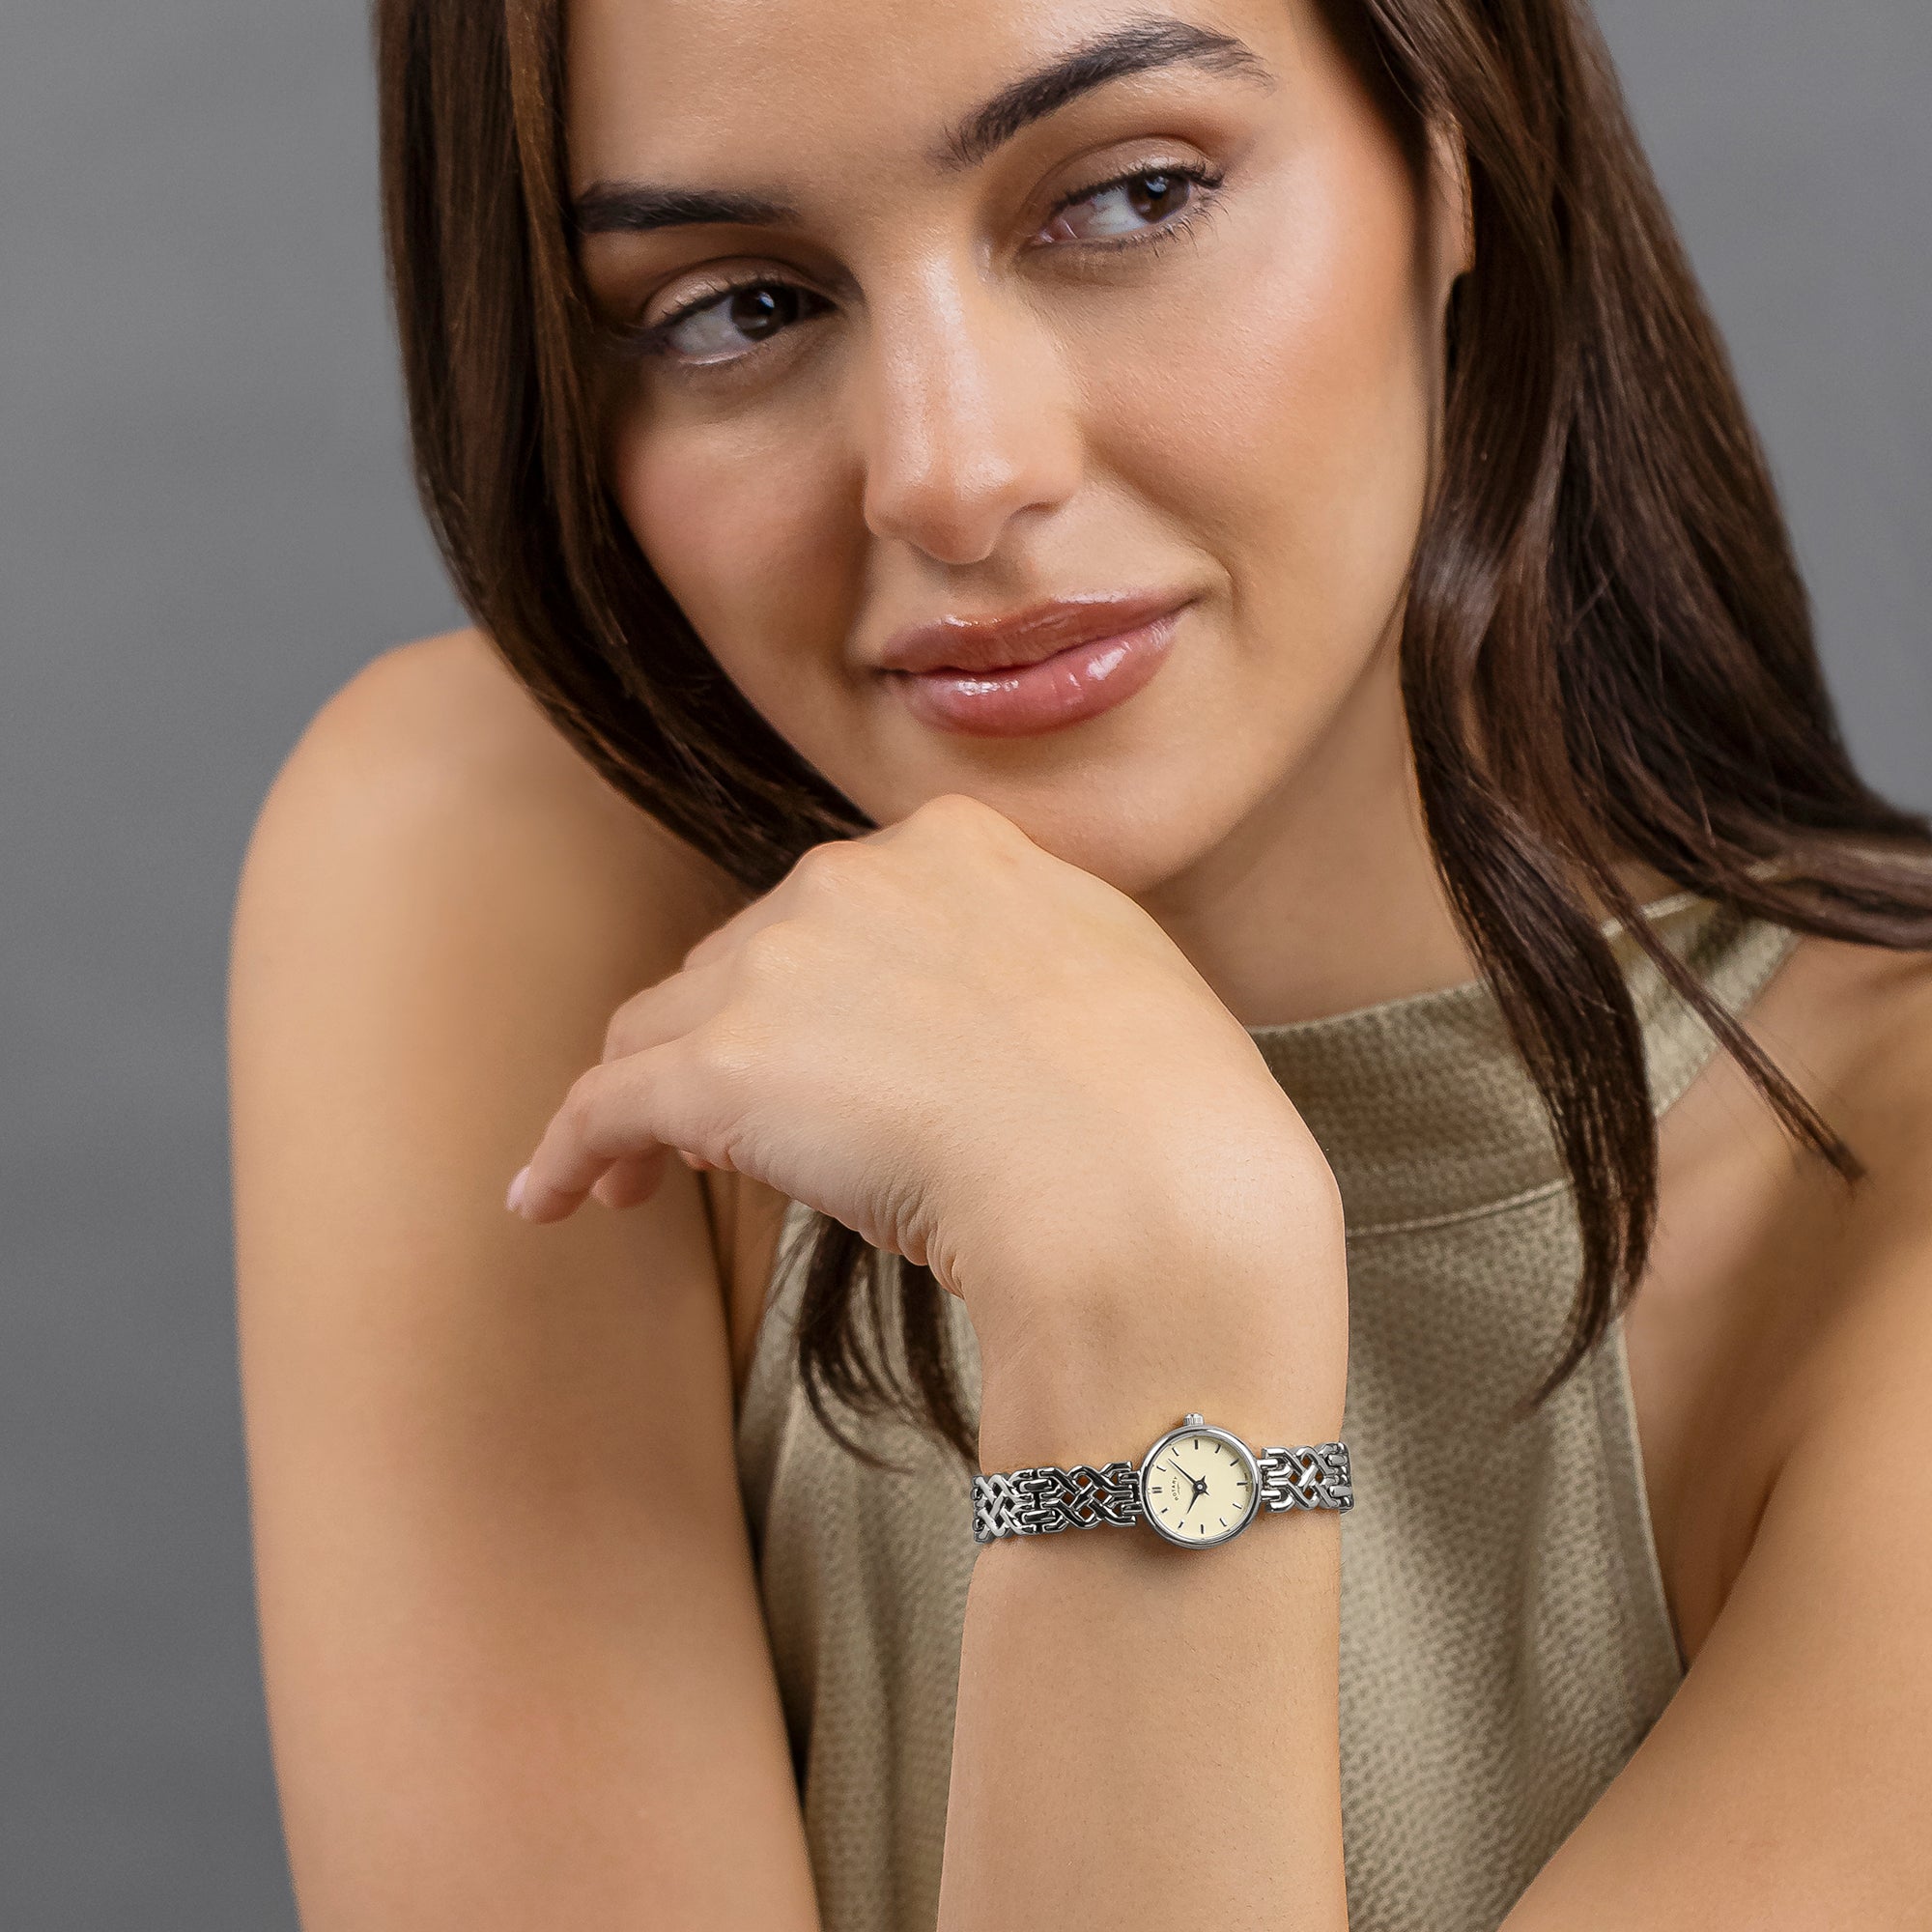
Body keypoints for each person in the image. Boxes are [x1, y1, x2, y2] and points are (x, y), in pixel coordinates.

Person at [227, 0, 1932, 1924]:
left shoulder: (1884, 1206)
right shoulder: (510, 875)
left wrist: (1151, 1332)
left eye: (1129, 196)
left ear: (1453, 149)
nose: (951, 475)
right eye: (740, 309)